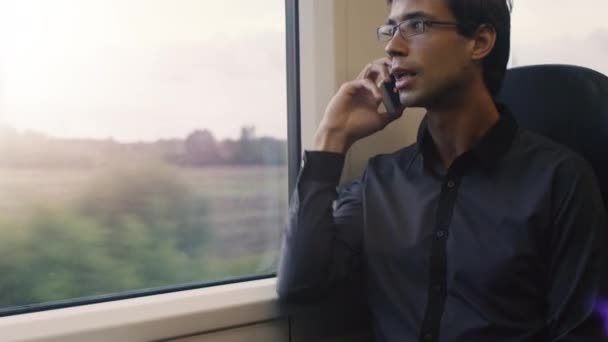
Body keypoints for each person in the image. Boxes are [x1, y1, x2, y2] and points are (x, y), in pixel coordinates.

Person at [277, 0, 607, 341]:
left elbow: (582, 333)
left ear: (479, 42)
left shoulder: (559, 180)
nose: (392, 46)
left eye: (416, 26)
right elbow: (300, 285)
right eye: (391, 29)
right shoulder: (380, 182)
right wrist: (332, 135)